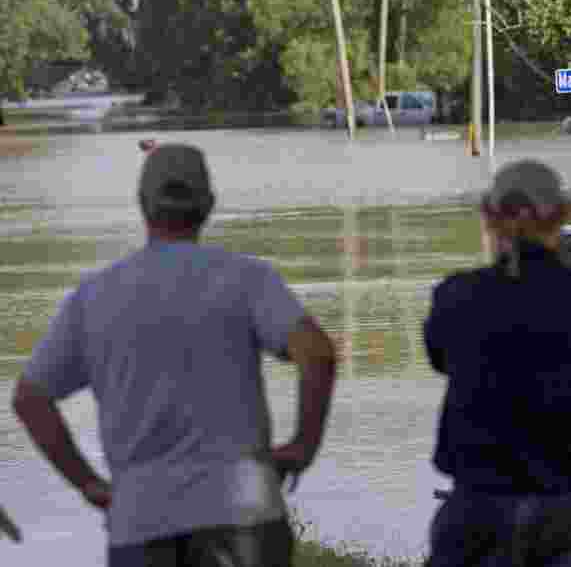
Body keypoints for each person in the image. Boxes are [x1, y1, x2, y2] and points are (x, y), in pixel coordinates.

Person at [12, 143, 338, 566]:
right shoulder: (247, 279)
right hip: (245, 516)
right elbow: (317, 353)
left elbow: (30, 398)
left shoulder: (94, 297)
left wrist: (88, 484)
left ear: (142, 205)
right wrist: (302, 446)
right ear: (209, 204)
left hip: (141, 522)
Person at [423, 159, 571, 567]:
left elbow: (440, 358)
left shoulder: (455, 296)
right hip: (562, 500)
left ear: (489, 216)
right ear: (563, 215)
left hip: (478, 500)